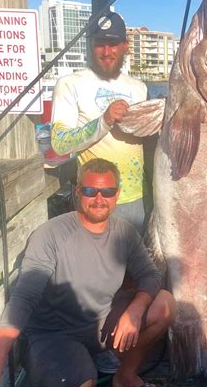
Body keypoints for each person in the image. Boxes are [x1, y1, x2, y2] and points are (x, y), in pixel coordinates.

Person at [0, 159, 176, 387]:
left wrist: (135, 310)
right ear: (78, 191)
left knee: (165, 304)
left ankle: (124, 376)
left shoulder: (124, 232)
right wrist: (0, 350)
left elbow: (150, 274)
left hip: (100, 323)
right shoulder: (51, 234)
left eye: (108, 191)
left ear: (118, 195)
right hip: (55, 334)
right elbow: (25, 295)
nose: (99, 198)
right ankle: (64, 380)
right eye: (91, 191)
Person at [50, 12, 149, 234]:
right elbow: (60, 143)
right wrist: (103, 121)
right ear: (90, 46)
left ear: (125, 45)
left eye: (113, 43)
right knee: (94, 266)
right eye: (99, 44)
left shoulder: (140, 87)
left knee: (136, 267)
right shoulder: (69, 84)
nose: (106, 51)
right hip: (95, 199)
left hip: (139, 198)